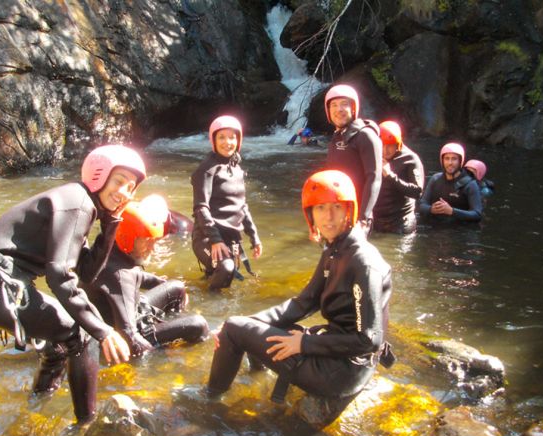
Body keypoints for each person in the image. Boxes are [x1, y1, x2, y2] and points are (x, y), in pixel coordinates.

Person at [0, 145, 146, 423]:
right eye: (119, 181)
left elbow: (85, 273)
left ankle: (36, 409)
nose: (124, 191)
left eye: (131, 186)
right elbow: (59, 275)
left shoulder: (82, 203)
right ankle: (86, 424)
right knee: (81, 335)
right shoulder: (78, 203)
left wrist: (111, 224)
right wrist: (102, 330)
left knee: (58, 343)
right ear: (99, 176)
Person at [207, 170, 393, 413]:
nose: (328, 217)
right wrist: (250, 322)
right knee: (248, 327)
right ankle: (257, 377)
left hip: (343, 372)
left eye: (336, 207)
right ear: (311, 215)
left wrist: (304, 344)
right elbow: (303, 303)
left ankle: (208, 401)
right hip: (340, 357)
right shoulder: (336, 250)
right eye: (320, 208)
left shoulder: (363, 262)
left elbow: (370, 339)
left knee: (233, 329)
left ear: (349, 210)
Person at [82, 194, 209, 357]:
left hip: (129, 310)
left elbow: (139, 276)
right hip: (121, 330)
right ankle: (170, 348)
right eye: (147, 242)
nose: (153, 248)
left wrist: (162, 282)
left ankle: (166, 327)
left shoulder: (112, 250)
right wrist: (157, 356)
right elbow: (129, 336)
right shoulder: (121, 276)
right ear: (127, 238)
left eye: (154, 241)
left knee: (176, 287)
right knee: (197, 325)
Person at [191, 115, 262, 290]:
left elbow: (242, 206)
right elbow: (200, 207)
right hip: (207, 237)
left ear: (238, 140)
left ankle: (198, 293)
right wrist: (215, 240)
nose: (227, 142)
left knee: (225, 278)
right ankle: (209, 310)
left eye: (232, 137)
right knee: (226, 268)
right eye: (221, 137)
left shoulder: (237, 169)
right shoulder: (206, 169)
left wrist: (254, 237)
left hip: (231, 238)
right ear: (213, 140)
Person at [324, 84, 382, 235]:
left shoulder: (365, 136)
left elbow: (374, 178)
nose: (339, 109)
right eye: (334, 105)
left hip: (357, 217)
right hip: (336, 213)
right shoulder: (336, 137)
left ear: (353, 108)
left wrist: (363, 219)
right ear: (328, 111)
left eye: (344, 104)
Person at [373, 120, 425, 234]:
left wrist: (390, 176)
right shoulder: (373, 154)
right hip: (376, 220)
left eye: (390, 146)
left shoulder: (410, 159)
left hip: (401, 222)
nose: (385, 151)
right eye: (382, 145)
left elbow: (417, 192)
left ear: (398, 144)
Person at [419, 142, 483, 223]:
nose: (450, 163)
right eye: (447, 158)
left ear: (460, 161)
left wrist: (452, 211)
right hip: (435, 227)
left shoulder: (470, 184)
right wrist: (431, 209)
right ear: (442, 161)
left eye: (454, 159)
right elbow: (421, 205)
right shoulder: (435, 179)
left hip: (459, 230)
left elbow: (477, 214)